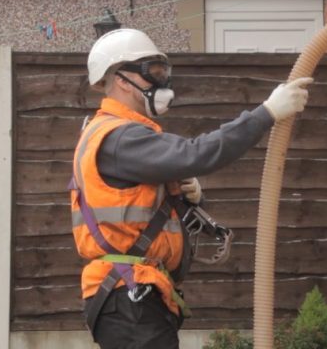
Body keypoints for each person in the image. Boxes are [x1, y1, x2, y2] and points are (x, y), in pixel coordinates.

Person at [69, 28, 312, 349]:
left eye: (163, 72)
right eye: (152, 73)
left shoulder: (117, 134)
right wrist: (265, 114)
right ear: (122, 81)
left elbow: (134, 208)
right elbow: (196, 154)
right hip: (128, 297)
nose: (162, 82)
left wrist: (187, 197)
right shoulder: (120, 137)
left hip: (133, 294)